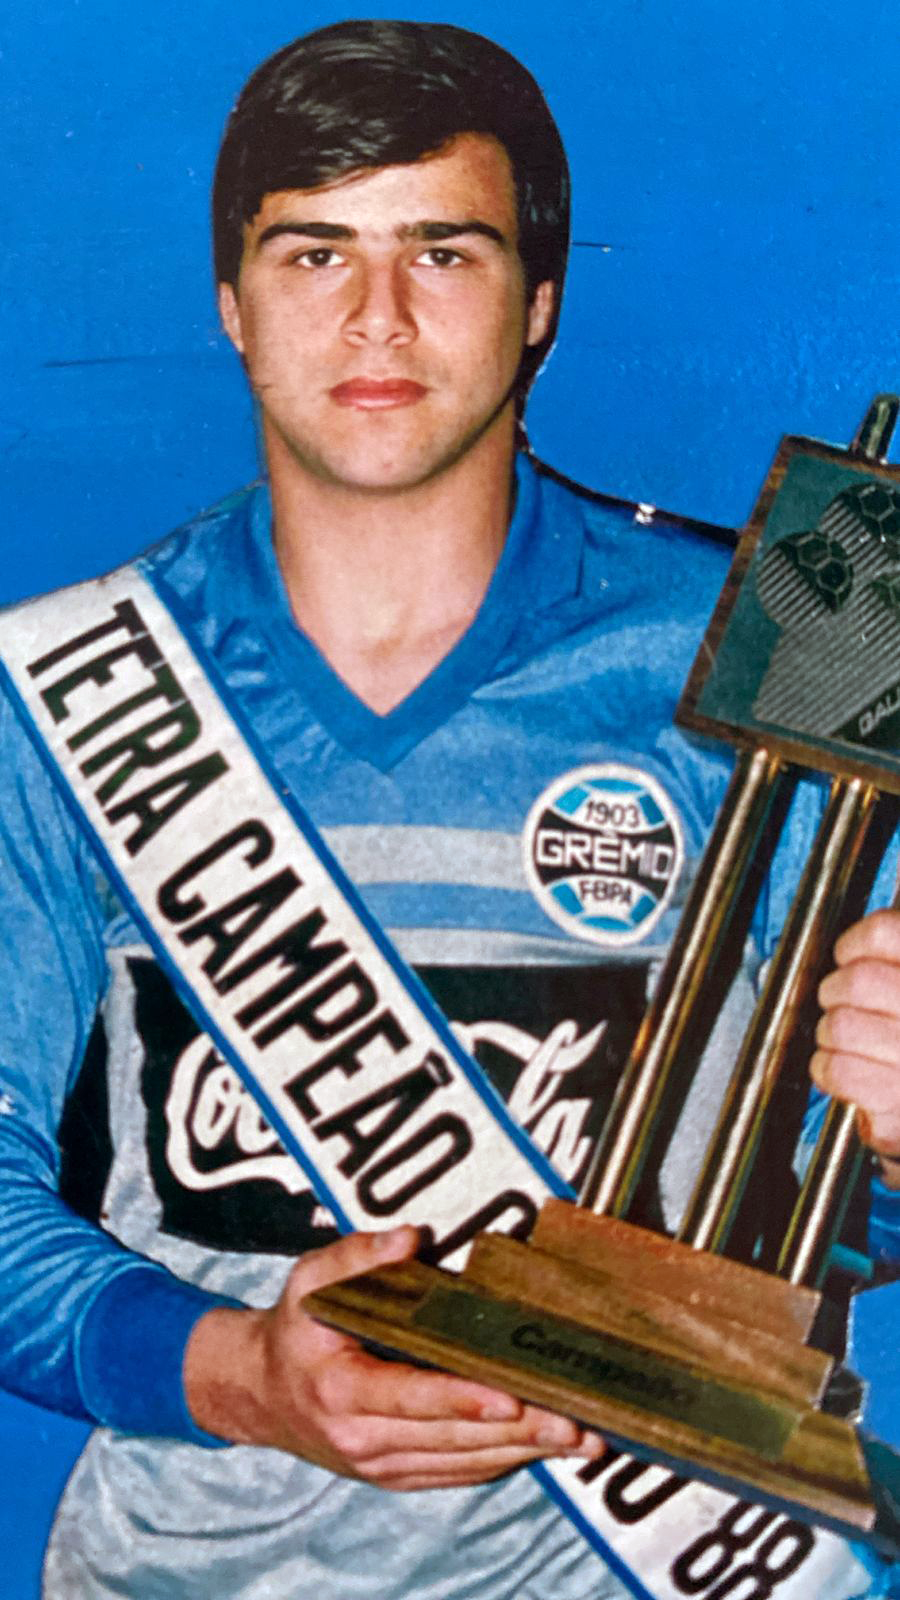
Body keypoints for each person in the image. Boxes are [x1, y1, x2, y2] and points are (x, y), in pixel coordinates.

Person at [0, 18, 898, 1600]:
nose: (379, 316)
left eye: (443, 251)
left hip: (677, 1567)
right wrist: (238, 1373)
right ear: (231, 304)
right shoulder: (61, 692)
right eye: (314, 254)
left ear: (539, 301)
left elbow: (841, 1202)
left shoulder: (776, 654)